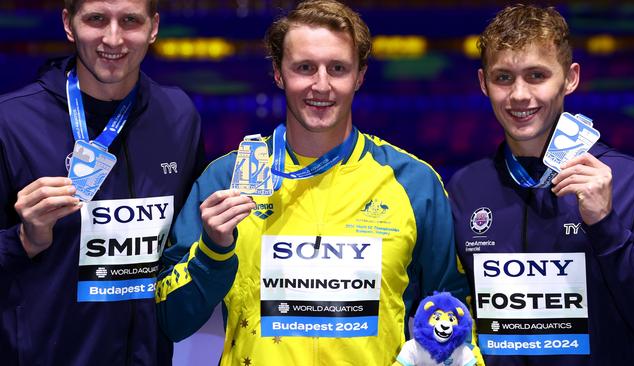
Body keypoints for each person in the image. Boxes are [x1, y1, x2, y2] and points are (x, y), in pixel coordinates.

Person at [155, 0, 470, 364]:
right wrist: (212, 252)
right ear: (278, 72)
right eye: (305, 68)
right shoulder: (226, 179)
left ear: (360, 75)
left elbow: (452, 315)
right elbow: (172, 319)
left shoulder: (414, 184)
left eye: (337, 68)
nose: (321, 85)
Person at [0, 0, 204, 365]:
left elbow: (183, 249)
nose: (113, 38)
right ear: (68, 23)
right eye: (96, 19)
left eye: (130, 21)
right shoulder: (11, 122)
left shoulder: (178, 116)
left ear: (153, 27)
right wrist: (24, 240)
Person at [447, 4, 634, 365]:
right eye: (503, 77)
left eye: (537, 75)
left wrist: (606, 224)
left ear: (570, 78)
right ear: (483, 83)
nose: (519, 95)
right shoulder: (465, 188)